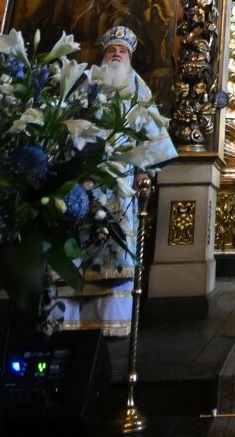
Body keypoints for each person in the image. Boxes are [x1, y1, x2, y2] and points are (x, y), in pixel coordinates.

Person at [47, 25, 176, 335]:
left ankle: (109, 323)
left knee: (115, 252)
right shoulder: (87, 82)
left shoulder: (138, 87)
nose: (117, 54)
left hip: (118, 179)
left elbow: (151, 132)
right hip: (81, 178)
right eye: (111, 50)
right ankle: (69, 321)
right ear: (103, 55)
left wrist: (144, 170)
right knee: (75, 247)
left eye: (122, 51)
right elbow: (68, 123)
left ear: (129, 57)